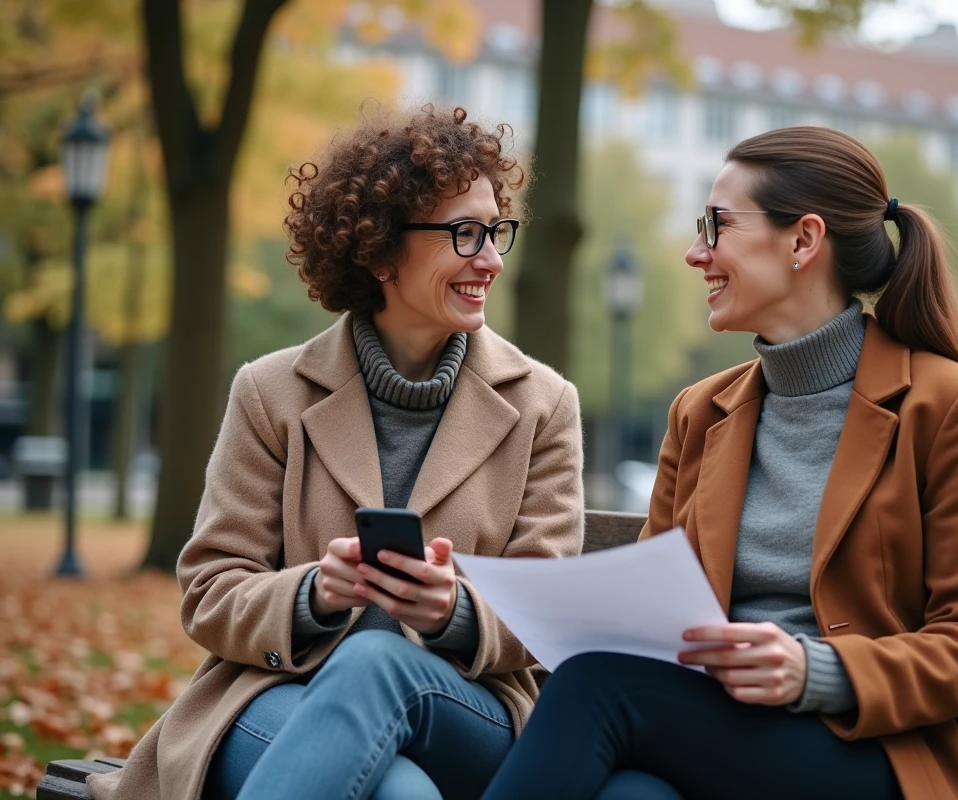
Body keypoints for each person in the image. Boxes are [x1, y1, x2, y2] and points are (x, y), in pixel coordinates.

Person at [482, 126, 958, 800]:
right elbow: (652, 613)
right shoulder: (700, 413)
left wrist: (815, 670)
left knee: (597, 682)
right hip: (720, 733)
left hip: (877, 754)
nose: (693, 253)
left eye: (716, 225)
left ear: (803, 241)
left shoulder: (949, 405)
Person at [86, 105, 585, 800]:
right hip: (283, 693)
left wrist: (454, 611)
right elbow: (210, 590)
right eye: (467, 233)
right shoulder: (270, 393)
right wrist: (313, 594)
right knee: (400, 796)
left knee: (376, 662)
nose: (493, 258)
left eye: (497, 231)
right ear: (380, 251)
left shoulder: (544, 405)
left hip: (467, 713)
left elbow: (551, 609)